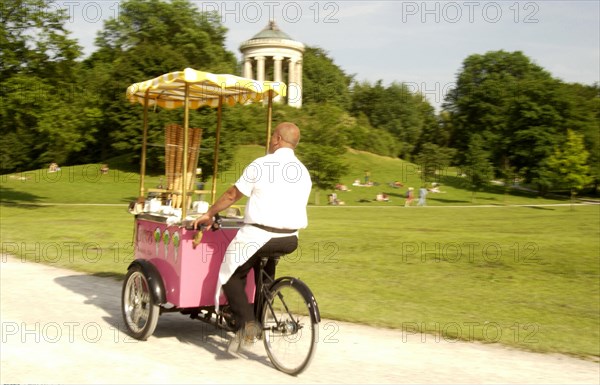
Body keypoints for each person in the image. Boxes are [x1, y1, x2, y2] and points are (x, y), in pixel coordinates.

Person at [192, 122, 312, 353]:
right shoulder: (303, 171)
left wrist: (210, 213)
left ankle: (247, 325)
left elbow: (232, 194)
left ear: (277, 139)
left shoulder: (262, 164)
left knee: (230, 275)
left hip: (260, 235)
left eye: (271, 138)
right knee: (264, 274)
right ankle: (259, 315)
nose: (269, 141)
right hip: (290, 238)